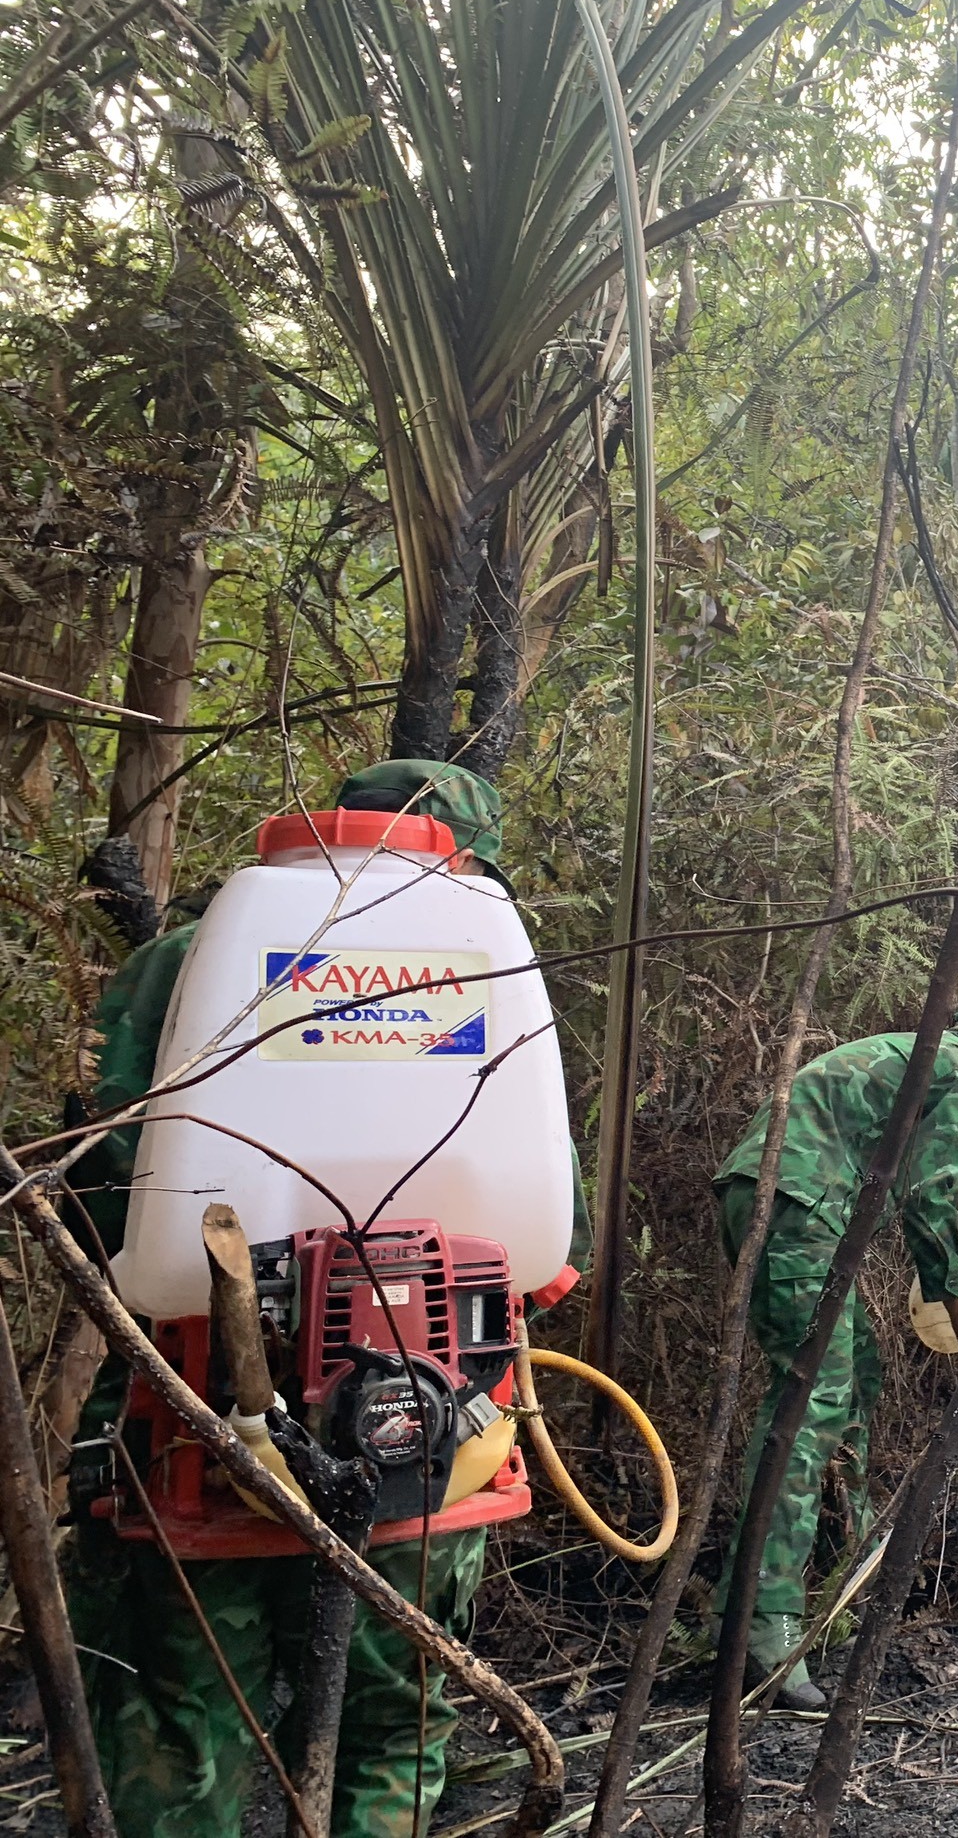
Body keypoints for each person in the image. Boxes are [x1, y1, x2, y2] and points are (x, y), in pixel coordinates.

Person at [66, 759, 506, 1837]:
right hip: (430, 1420)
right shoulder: (478, 959)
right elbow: (539, 1234)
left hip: (193, 1408)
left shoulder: (188, 954)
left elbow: (98, 1190)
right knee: (394, 1724)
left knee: (182, 1727)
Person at [712, 991, 958, 1708]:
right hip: (797, 1212)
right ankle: (761, 1620)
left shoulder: (915, 1054)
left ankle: (848, 1559)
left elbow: (915, 1176)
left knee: (858, 1372)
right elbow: (926, 1204)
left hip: (767, 1198)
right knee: (811, 1405)